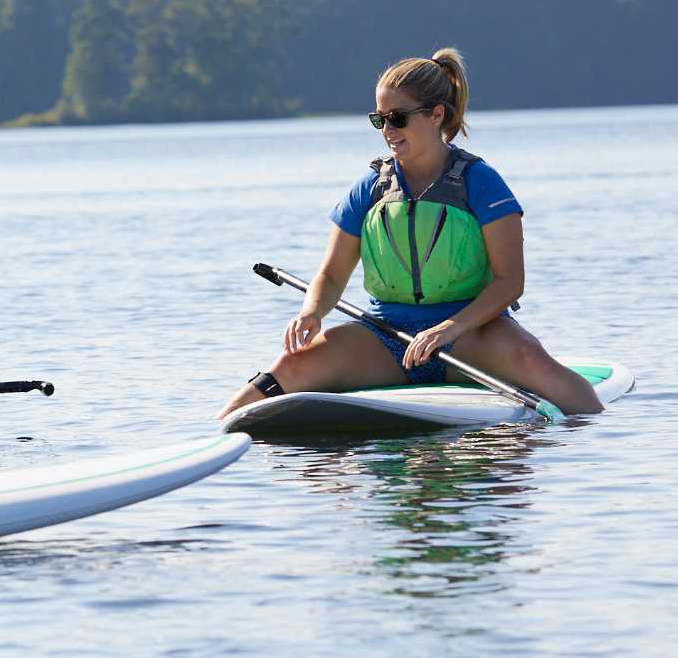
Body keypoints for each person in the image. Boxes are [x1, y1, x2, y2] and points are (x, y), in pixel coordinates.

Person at [218, 47, 604, 419]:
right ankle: (218, 431)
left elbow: (509, 283)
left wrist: (446, 329)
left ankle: (599, 427)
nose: (387, 129)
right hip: (386, 339)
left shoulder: (482, 183)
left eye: (398, 118)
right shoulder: (368, 187)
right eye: (379, 119)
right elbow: (332, 275)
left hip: (471, 337)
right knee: (291, 364)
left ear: (437, 115)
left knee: (530, 360)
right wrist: (311, 312)